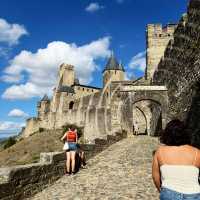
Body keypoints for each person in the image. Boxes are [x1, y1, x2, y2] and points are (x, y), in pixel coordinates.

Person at [152, 119, 200, 200]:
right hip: (194, 194)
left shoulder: (160, 151)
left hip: (169, 192)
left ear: (167, 135)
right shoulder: (197, 152)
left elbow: (155, 177)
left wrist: (161, 190)